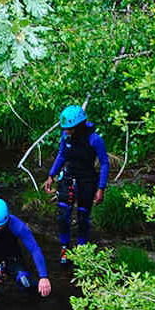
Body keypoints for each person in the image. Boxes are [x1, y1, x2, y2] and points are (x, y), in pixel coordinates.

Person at [43, 105, 109, 264]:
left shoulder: (95, 139)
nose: (66, 131)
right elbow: (62, 155)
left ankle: (81, 250)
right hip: (68, 178)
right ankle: (65, 247)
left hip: (87, 180)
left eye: (70, 129)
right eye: (65, 128)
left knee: (83, 216)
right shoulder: (65, 137)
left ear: (79, 126)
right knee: (63, 216)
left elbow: (105, 163)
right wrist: (51, 175)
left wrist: (101, 188)